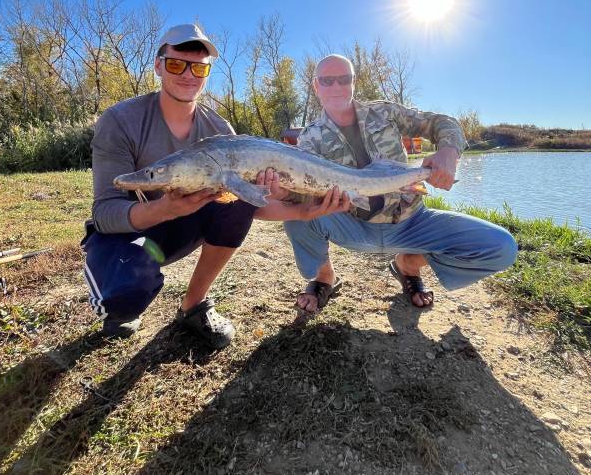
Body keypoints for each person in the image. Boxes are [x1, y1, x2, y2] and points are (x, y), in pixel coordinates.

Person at [255, 54, 517, 315]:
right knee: (295, 217)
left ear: (354, 82)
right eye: (327, 80)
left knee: (501, 247)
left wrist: (449, 151)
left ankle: (408, 265)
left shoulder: (385, 112)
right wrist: (282, 192)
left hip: (411, 222)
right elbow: (304, 197)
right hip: (352, 226)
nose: (336, 87)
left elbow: (443, 123)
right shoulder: (309, 138)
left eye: (344, 79)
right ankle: (325, 278)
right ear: (315, 86)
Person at [82, 24, 256, 347]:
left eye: (200, 67)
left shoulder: (221, 130)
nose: (189, 75)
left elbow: (253, 203)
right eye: (177, 64)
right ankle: (122, 297)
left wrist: (305, 210)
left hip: (184, 224)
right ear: (159, 65)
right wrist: (164, 208)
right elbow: (105, 212)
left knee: (240, 200)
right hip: (131, 232)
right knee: (126, 290)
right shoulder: (120, 120)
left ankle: (194, 305)